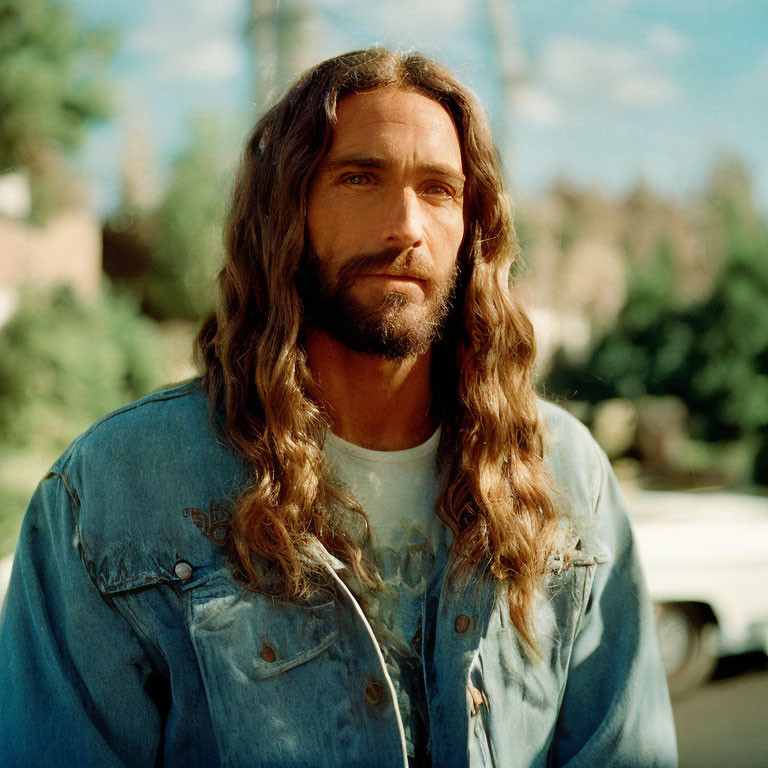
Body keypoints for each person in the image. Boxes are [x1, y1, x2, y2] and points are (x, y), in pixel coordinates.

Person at [0, 49, 677, 767]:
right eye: (360, 177)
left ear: (473, 229)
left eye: (440, 189)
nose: (406, 225)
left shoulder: (567, 482)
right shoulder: (114, 494)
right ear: (285, 212)